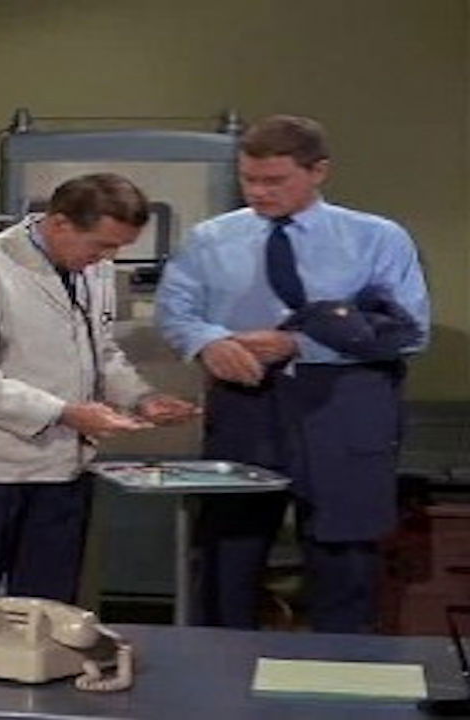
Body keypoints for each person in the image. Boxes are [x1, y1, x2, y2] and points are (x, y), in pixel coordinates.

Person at [155, 115, 431, 633]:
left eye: (274, 181)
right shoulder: (210, 239)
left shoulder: (376, 238)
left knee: (344, 554)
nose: (258, 192)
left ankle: (342, 671)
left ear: (317, 171)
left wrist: (298, 344)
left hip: (345, 407)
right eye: (249, 179)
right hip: (246, 406)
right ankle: (219, 673)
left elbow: (409, 332)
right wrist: (208, 342)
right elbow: (176, 313)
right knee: (227, 552)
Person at [0, 173, 198, 621]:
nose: (108, 258)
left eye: (118, 248)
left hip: (63, 469)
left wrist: (141, 399)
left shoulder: (94, 269)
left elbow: (100, 350)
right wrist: (62, 413)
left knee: (50, 609)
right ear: (60, 224)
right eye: (102, 245)